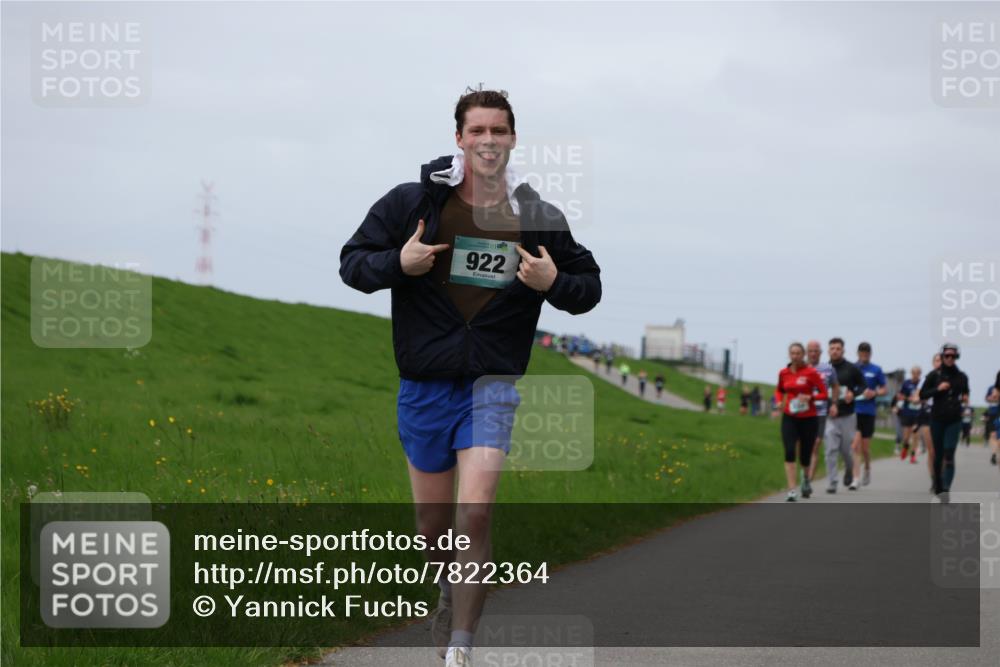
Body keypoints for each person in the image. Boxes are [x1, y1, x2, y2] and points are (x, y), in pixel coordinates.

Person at [339, 88, 601, 667]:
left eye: (499, 131)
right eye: (477, 130)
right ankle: (445, 589)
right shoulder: (412, 204)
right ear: (459, 138)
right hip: (424, 386)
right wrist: (396, 265)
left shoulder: (537, 218)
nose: (488, 140)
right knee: (434, 530)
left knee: (475, 512)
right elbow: (351, 263)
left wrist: (552, 282)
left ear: (512, 140)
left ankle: (461, 645)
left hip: (492, 386)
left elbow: (589, 287)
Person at [776, 342, 828, 501]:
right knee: (790, 451)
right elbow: (779, 390)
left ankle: (805, 479)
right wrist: (779, 401)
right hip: (789, 417)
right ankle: (792, 490)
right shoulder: (783, 373)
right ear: (789, 355)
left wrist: (810, 397)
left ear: (803, 355)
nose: (795, 356)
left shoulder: (811, 372)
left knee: (805, 455)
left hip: (809, 418)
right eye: (793, 353)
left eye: (798, 353)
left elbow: (824, 394)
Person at [919, 343, 970, 498]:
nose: (949, 358)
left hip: (954, 419)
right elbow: (923, 394)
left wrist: (965, 398)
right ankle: (938, 484)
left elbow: (966, 393)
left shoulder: (961, 376)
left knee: (949, 453)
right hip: (937, 419)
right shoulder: (934, 375)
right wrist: (938, 389)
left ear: (956, 357)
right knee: (937, 454)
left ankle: (946, 488)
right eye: (946, 355)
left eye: (952, 356)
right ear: (942, 356)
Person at [824, 337, 866, 493]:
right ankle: (832, 482)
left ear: (843, 351)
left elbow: (863, 385)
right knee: (830, 450)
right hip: (830, 416)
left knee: (847, 450)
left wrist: (853, 393)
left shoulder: (851, 368)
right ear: (828, 351)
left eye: (838, 348)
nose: (835, 351)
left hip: (848, 415)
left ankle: (849, 469)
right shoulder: (824, 369)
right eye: (832, 348)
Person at [849, 342, 887, 489]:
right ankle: (855, 479)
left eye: (866, 353)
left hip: (869, 411)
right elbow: (846, 386)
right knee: (855, 445)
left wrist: (875, 393)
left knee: (865, 448)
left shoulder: (876, 370)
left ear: (870, 354)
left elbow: (884, 389)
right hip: (854, 410)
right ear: (858, 353)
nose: (864, 355)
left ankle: (867, 469)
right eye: (861, 353)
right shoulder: (853, 368)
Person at [805, 340, 837, 483]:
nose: (813, 354)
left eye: (816, 351)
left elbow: (836, 387)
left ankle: (807, 482)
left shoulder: (828, 368)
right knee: (804, 447)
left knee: (816, 445)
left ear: (820, 352)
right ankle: (804, 473)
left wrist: (834, 403)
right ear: (806, 352)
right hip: (802, 412)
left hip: (820, 413)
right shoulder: (800, 368)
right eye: (810, 351)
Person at [897, 366, 924, 464]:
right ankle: (905, 447)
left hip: (918, 413)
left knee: (916, 435)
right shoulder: (906, 383)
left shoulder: (922, 384)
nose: (915, 375)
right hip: (907, 412)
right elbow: (900, 395)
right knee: (906, 436)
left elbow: (926, 397)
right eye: (914, 373)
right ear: (911, 373)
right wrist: (909, 399)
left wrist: (919, 400)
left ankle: (913, 456)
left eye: (918, 373)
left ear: (920, 374)